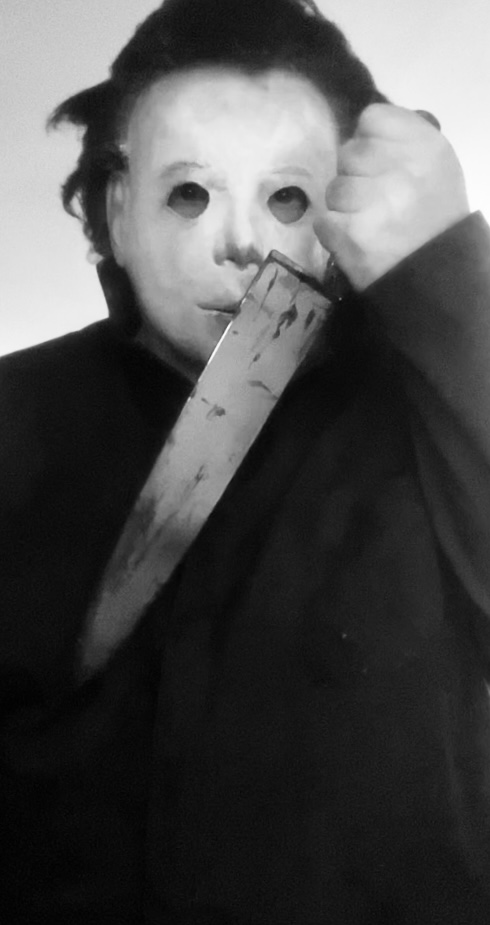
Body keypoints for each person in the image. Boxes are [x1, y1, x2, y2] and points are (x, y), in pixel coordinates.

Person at [1, 0, 490, 921]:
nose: (242, 242)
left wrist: (449, 276)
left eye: (288, 197)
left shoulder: (439, 402)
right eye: (190, 193)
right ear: (117, 212)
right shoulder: (12, 414)